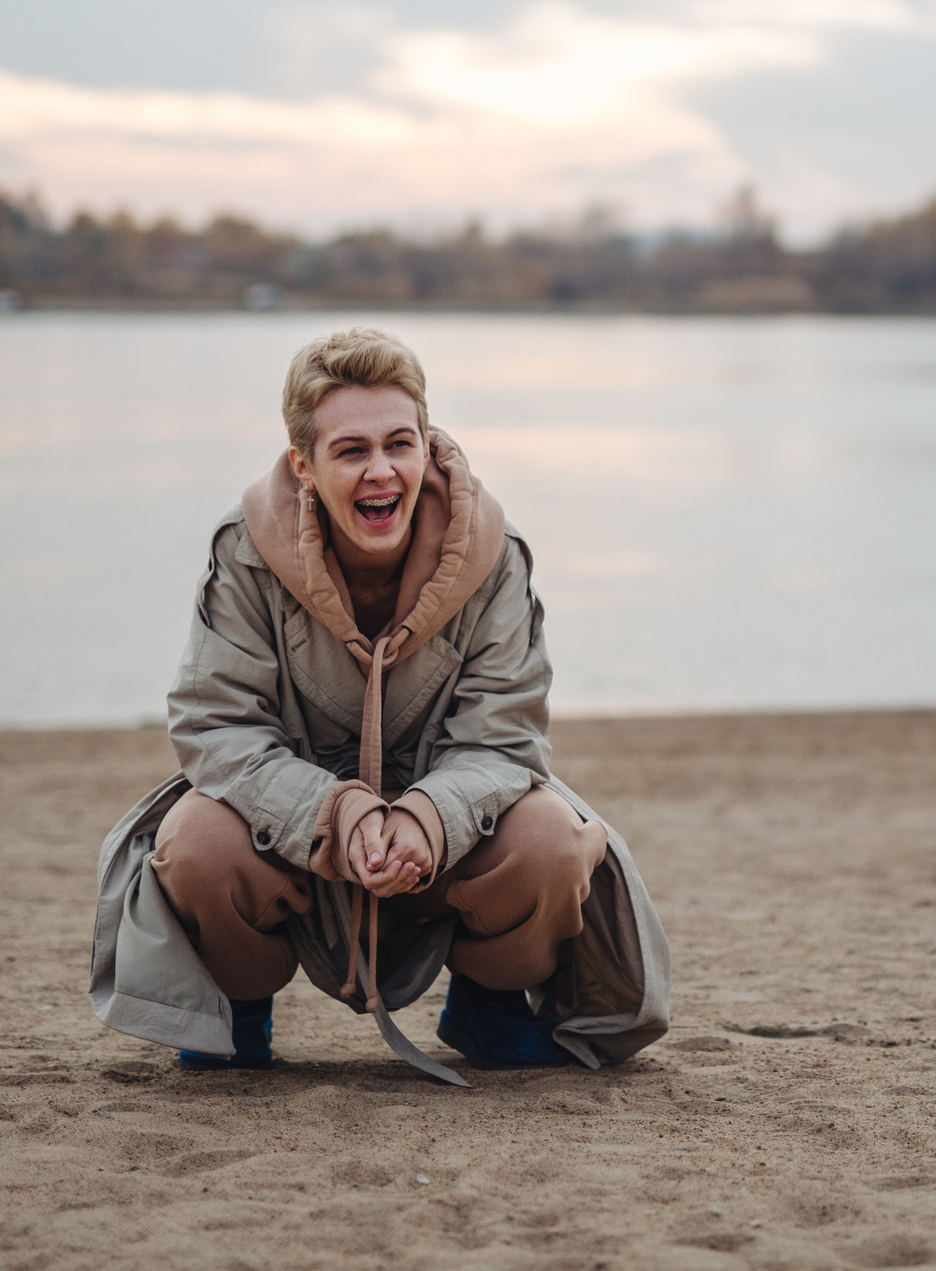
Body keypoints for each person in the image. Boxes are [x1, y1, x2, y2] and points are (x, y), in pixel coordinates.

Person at [88, 327, 668, 1085]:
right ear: (304, 464)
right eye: (351, 450)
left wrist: (425, 817)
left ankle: (489, 1005)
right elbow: (216, 727)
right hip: (289, 833)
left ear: (427, 443)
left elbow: (505, 739)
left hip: (451, 838)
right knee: (191, 840)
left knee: (556, 842)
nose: (381, 470)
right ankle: (238, 1010)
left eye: (400, 442)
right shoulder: (245, 550)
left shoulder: (494, 551)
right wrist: (340, 815)